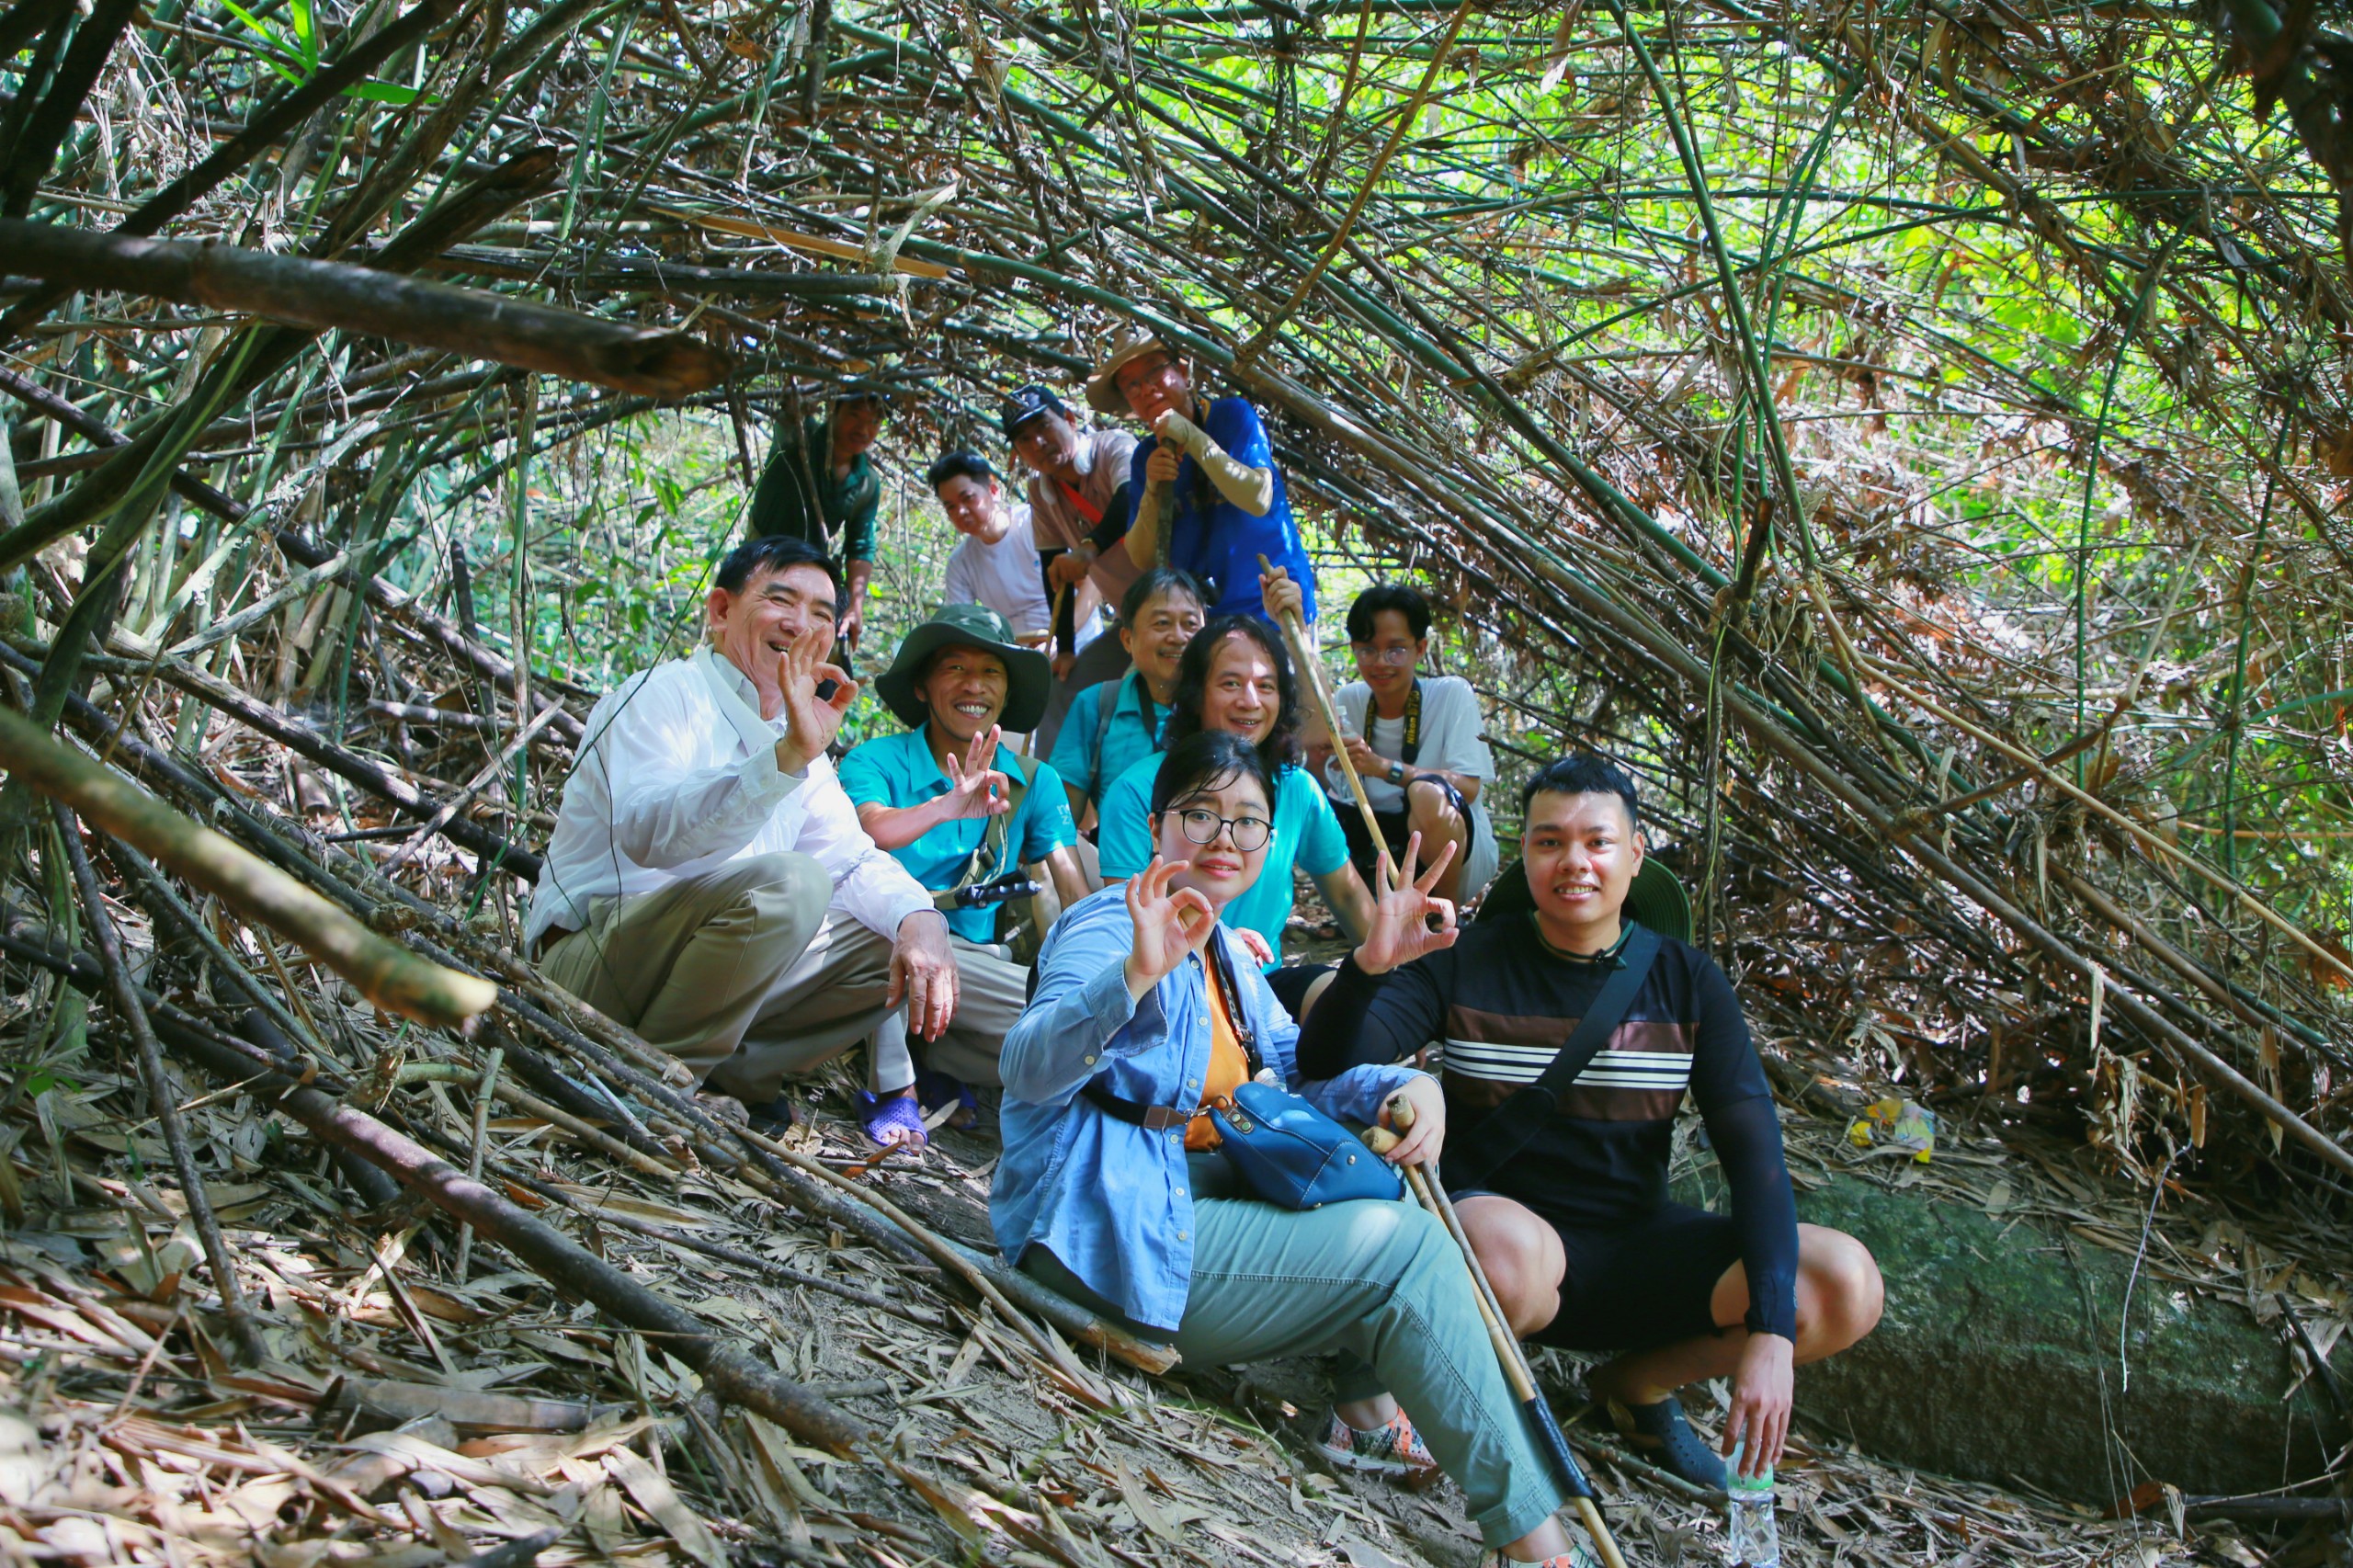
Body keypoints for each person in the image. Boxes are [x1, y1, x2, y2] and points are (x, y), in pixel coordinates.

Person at [995, 731, 1600, 1568]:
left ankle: (1367, 1422)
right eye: (1200, 814)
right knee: (1408, 1251)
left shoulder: (1225, 950)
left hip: (1185, 1197)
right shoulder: (1111, 925)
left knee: (1371, 1173)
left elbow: (1294, 1080)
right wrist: (1131, 975)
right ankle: (1539, 1543)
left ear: (1270, 843)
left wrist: (1403, 1085)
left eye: (1248, 822)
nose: (1223, 839)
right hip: (1103, 1234)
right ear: (1155, 823)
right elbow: (1025, 1068)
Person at [1298, 754, 1884, 1490]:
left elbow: (1754, 1153)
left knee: (1842, 1283)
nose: (1573, 862)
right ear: (1525, 854)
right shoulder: (1466, 958)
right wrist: (1369, 966)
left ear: (1635, 856)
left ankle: (1636, 1388)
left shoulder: (1688, 981)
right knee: (1506, 1250)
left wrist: (1770, 1328)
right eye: (1549, 842)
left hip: (1637, 1245)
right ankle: (1412, 1400)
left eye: (1597, 842)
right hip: (1503, 1249)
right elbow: (1331, 1060)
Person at [526, 535, 964, 1135]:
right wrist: (783, 757)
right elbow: (649, 836)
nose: (802, 626)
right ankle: (647, 1090)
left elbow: (852, 860)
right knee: (791, 885)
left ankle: (737, 1073)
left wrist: (922, 921)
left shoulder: (795, 741)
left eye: (822, 615)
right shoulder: (659, 696)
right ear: (721, 611)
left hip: (691, 989)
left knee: (887, 936)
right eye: (782, 601)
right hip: (592, 969)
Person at [839, 605, 1094, 1143]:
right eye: (954, 668)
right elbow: (869, 832)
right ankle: (895, 1089)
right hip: (881, 947)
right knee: (884, 932)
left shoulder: (1033, 782)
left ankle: (939, 1060)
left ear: (1005, 693)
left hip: (971, 967)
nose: (973, 685)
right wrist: (946, 805)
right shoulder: (873, 762)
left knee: (1069, 1033)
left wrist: (1095, 974)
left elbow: (1069, 881)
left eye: (991, 672)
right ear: (923, 687)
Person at [1095, 599, 1376, 1006]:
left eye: (1266, 686)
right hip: (1168, 988)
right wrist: (1217, 947)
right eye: (1230, 683)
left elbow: (1348, 895)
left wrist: (1392, 983)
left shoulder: (1296, 788)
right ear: (1195, 695)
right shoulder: (1138, 789)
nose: (1250, 701)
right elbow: (1125, 920)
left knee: (1352, 1005)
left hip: (1263, 987)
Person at [1084, 327, 1314, 624]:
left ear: (1182, 372)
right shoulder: (1145, 457)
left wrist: (1193, 438)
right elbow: (1142, 557)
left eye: (1154, 373)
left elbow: (1258, 498)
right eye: (1132, 385)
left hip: (1276, 604)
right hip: (1207, 622)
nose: (1146, 389)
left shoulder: (1231, 416)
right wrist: (1153, 489)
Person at [1308, 581, 1499, 907]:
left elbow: (1467, 788)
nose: (1381, 662)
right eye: (1368, 649)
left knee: (1426, 794)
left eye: (1395, 649)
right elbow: (1325, 788)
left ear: (1420, 648)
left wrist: (1384, 768)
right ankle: (1362, 911)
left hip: (1455, 851)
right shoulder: (1349, 700)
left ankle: (1442, 917)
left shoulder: (1451, 694)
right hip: (1379, 846)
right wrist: (1318, 755)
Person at [1003, 384, 1139, 753]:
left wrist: (1089, 549)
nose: (1038, 444)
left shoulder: (1113, 446)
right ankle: (1056, 804)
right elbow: (1055, 570)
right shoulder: (1041, 490)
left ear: (1069, 419)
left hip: (1179, 608)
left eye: (1044, 428)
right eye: (1025, 440)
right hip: (1132, 622)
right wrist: (1064, 648)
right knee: (1063, 690)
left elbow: (1131, 499)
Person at [1048, 566, 1205, 829]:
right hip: (1121, 867)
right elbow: (1058, 823)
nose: (1178, 637)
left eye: (1190, 624)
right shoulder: (1097, 705)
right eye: (1162, 623)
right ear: (1127, 639)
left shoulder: (1222, 706)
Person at [745, 389, 887, 653]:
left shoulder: (866, 482)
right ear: (833, 410)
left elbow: (861, 544)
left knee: (816, 653)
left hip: (808, 574)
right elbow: (795, 398)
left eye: (874, 421)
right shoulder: (799, 437)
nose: (863, 429)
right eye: (854, 416)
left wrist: (856, 605)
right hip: (759, 563)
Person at [929, 452, 1053, 651]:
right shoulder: (960, 563)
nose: (961, 512)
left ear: (993, 490)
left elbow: (1090, 582)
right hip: (1022, 655)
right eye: (951, 507)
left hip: (1078, 638)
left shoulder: (1034, 522)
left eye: (968, 498)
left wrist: (1064, 639)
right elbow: (960, 627)